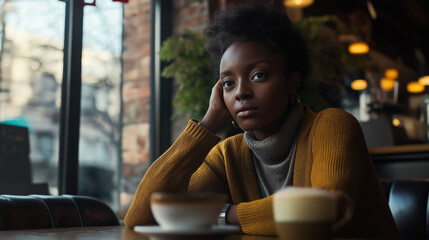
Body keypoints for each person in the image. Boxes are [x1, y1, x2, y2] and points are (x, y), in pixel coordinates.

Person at [125, 4, 401, 239]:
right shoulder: (226, 155)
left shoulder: (332, 126)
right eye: (229, 83)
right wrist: (209, 122)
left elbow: (324, 211)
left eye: (258, 75)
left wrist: (226, 214)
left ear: (292, 82)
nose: (241, 92)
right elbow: (140, 216)